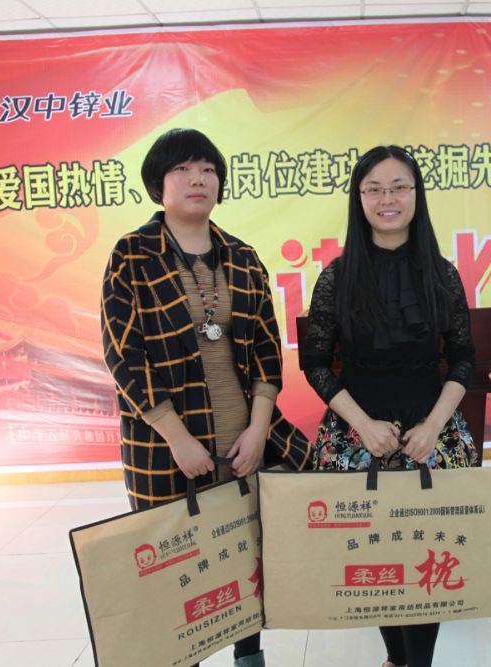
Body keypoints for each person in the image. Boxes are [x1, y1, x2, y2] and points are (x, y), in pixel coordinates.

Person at [101, 128, 309, 667]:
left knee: (247, 558)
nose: (198, 179)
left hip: (245, 443)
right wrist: (176, 438)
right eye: (183, 169)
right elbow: (124, 356)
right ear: (158, 183)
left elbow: (267, 351)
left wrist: (259, 430)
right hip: (166, 448)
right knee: (180, 569)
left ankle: (249, 656)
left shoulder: (242, 256)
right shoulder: (132, 255)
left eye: (209, 170)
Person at [301, 145, 478, 667]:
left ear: (416, 195)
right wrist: (363, 426)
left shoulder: (442, 274)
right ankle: (395, 658)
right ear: (359, 199)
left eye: (400, 187)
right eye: (374, 189)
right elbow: (316, 365)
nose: (388, 199)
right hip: (358, 435)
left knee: (429, 554)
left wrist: (434, 426)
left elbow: (464, 359)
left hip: (431, 433)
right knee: (378, 559)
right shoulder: (337, 276)